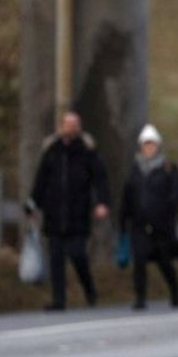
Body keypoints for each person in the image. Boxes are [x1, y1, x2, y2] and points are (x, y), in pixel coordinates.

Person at [25, 110, 110, 311]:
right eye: (67, 124)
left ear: (79, 127)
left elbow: (100, 180)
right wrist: (32, 204)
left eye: (75, 124)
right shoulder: (51, 151)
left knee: (78, 255)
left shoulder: (88, 152)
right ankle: (59, 300)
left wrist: (101, 203)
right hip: (54, 215)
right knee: (56, 260)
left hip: (78, 215)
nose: (71, 128)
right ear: (61, 126)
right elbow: (41, 181)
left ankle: (90, 290)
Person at [119, 123, 178, 310]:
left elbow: (176, 194)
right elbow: (127, 197)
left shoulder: (168, 168)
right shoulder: (134, 170)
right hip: (139, 225)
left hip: (161, 226)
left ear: (158, 146)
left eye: (152, 144)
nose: (149, 147)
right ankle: (140, 297)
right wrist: (123, 221)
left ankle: (175, 291)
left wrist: (168, 212)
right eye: (146, 144)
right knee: (139, 261)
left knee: (164, 262)